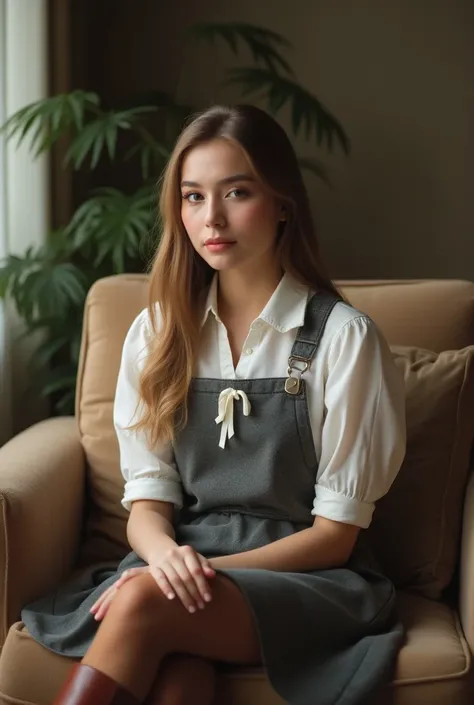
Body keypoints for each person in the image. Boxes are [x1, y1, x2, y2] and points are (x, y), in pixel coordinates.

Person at [22, 103, 406, 705]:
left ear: (283, 203)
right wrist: (167, 558)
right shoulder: (156, 333)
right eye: (193, 196)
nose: (212, 218)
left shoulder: (343, 338)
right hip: (183, 563)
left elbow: (334, 536)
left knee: (149, 601)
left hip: (308, 579)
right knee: (180, 681)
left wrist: (187, 578)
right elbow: (148, 505)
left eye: (237, 192)